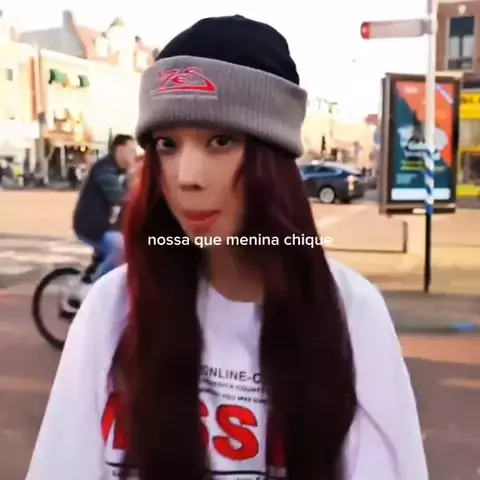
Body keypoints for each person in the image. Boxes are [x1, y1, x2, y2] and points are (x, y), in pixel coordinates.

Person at [26, 15, 428, 480]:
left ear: (273, 159)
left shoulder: (351, 313)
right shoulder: (114, 308)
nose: (186, 176)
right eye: (167, 144)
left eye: (221, 141)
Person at [70, 134, 136, 303]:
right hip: (91, 226)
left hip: (105, 225)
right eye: (131, 151)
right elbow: (120, 198)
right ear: (119, 149)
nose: (133, 155)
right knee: (121, 249)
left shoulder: (119, 171)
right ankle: (94, 291)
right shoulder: (104, 169)